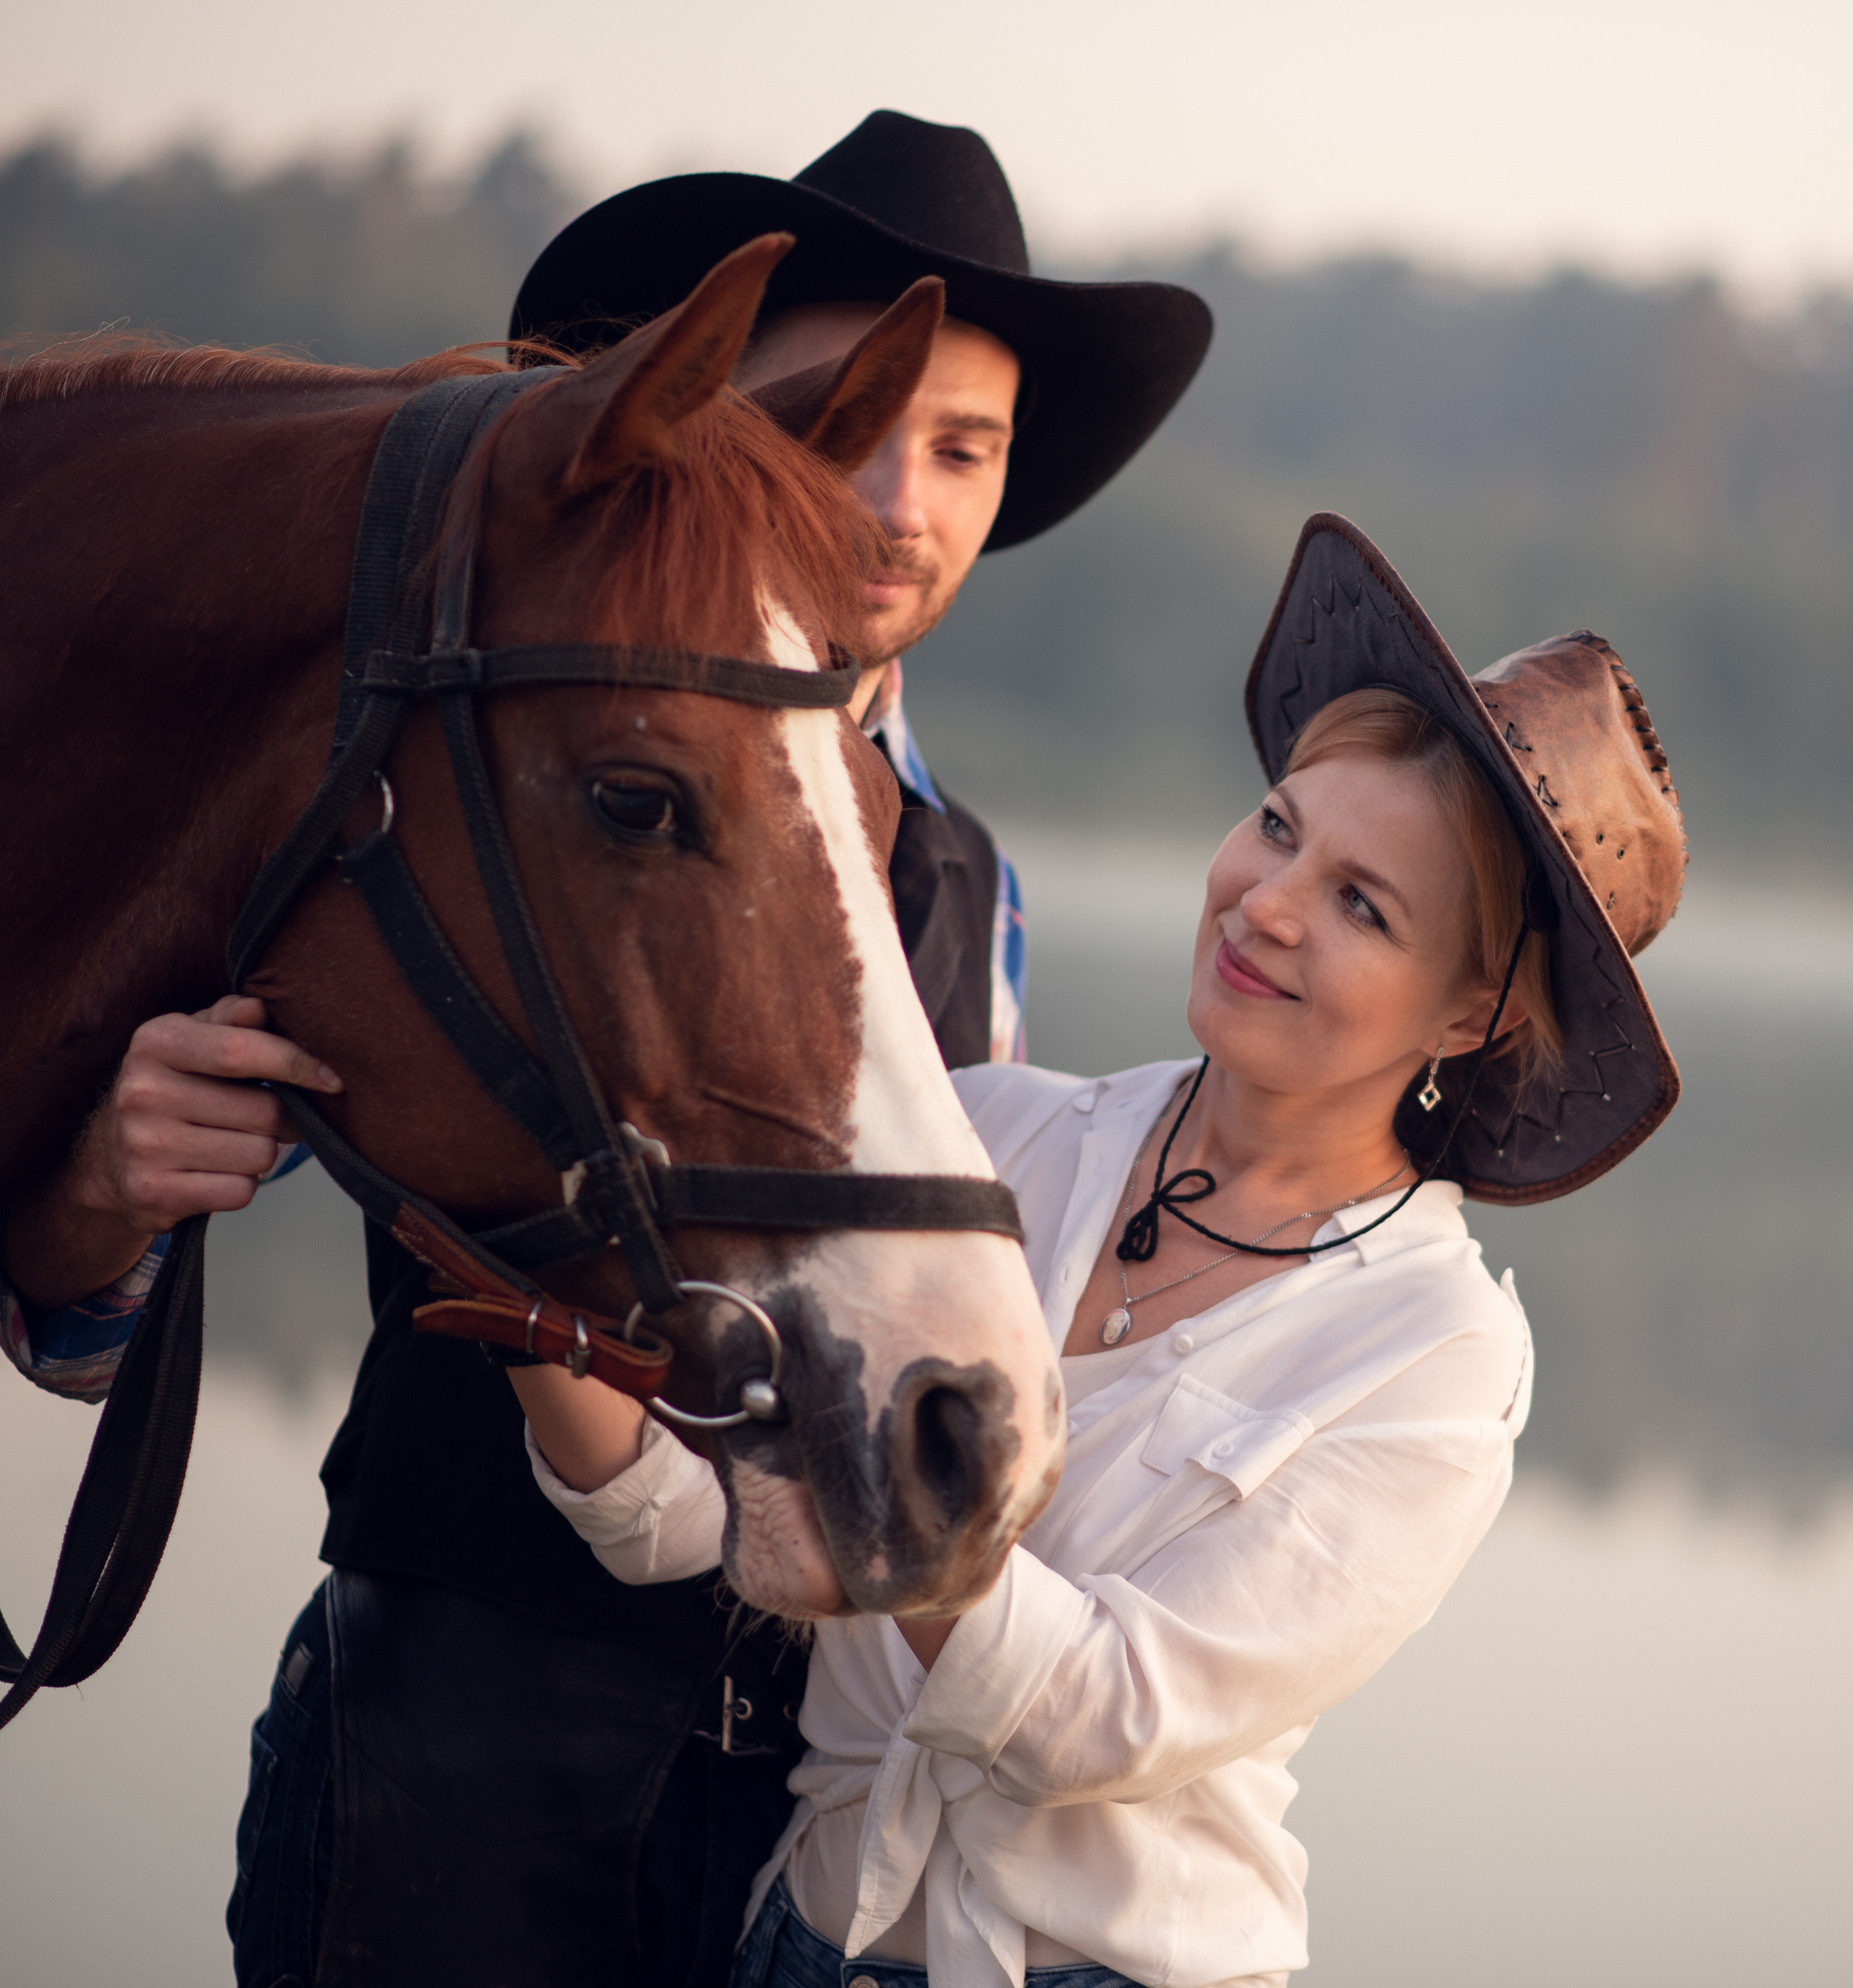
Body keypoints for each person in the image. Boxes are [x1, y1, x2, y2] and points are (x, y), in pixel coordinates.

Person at [0, 112, 1210, 1988]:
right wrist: (96, 1186)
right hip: (459, 1746)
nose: (897, 495)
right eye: (836, 419)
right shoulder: (514, 778)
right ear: (717, 425)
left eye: (962, 448)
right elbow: (88, 1320)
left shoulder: (980, 888)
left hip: (793, 1813)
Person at [519, 515, 1688, 1987]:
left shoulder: (1433, 1356)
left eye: (1358, 905)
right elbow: (697, 1523)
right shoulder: (984, 1140)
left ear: (1461, 1018)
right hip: (800, 1939)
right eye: (1278, 826)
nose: (1264, 905)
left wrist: (887, 1456)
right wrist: (536, 1318)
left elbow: (1105, 1715)